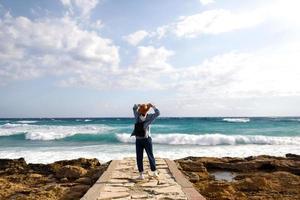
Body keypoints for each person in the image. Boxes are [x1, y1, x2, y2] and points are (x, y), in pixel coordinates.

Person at [132, 103, 160, 180]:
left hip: (142, 139)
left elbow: (134, 108)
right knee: (145, 156)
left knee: (144, 156)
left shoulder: (139, 115)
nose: (143, 112)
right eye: (143, 111)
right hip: (143, 140)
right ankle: (148, 173)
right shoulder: (146, 116)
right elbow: (158, 113)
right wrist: (153, 106)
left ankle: (147, 173)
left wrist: (138, 105)